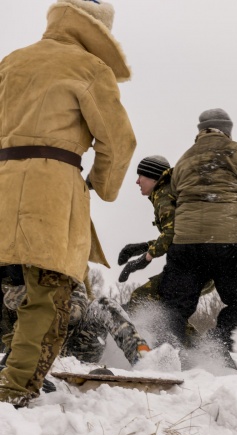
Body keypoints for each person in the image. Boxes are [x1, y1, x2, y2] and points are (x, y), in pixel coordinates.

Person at [0, 0, 136, 407]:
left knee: (8, 285)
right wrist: (100, 184)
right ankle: (14, 390)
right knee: (50, 295)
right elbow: (119, 141)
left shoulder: (11, 62)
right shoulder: (90, 68)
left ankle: (11, 368)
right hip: (51, 189)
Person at [159, 109, 237, 369]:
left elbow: (173, 197)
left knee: (174, 305)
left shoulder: (183, 158)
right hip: (227, 241)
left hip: (185, 243)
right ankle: (218, 344)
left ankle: (167, 354)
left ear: (201, 130)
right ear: (226, 129)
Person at [3, 279, 151, 367]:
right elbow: (10, 302)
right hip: (30, 351)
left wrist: (41, 299)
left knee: (103, 305)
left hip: (75, 348)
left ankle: (141, 356)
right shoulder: (16, 279)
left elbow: (76, 314)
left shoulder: (69, 277)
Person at [117, 155, 175, 310]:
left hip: (194, 265)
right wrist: (142, 247)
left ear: (154, 178)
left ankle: (180, 336)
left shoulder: (164, 196)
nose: (137, 181)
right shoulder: (165, 193)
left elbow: (172, 234)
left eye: (140, 176)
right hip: (197, 262)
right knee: (165, 308)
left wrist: (146, 257)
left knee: (142, 299)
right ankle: (191, 336)